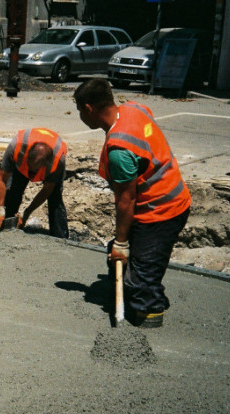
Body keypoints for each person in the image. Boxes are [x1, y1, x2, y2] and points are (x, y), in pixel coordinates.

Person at [73, 78, 191, 328]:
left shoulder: (120, 149)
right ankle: (130, 289)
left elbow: (125, 201)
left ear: (88, 108)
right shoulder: (134, 109)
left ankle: (148, 315)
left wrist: (122, 243)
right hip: (169, 197)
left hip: (160, 212)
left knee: (140, 281)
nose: (79, 116)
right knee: (121, 258)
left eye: (79, 111)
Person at [0, 127, 68, 238]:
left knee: (55, 198)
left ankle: (60, 238)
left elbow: (47, 190)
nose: (31, 175)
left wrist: (27, 213)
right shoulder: (16, 147)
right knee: (13, 191)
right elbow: (1, 179)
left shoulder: (58, 161)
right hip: (21, 166)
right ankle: (6, 223)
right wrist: (0, 209)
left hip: (51, 167)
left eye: (34, 170)